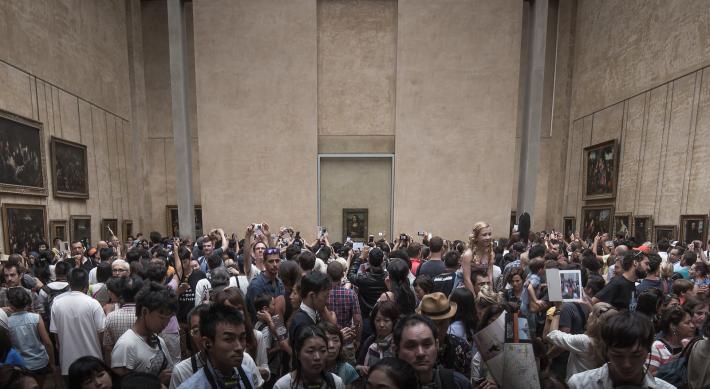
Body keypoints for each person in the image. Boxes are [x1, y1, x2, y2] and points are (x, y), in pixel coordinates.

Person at [567, 311, 674, 388]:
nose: (626, 364)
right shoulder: (578, 385)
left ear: (648, 350)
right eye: (618, 355)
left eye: (636, 356)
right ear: (606, 351)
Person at [177, 303, 258, 389]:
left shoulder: (247, 375)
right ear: (207, 343)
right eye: (228, 339)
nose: (239, 347)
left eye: (242, 338)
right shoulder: (191, 386)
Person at [111, 282, 177, 387]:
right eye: (161, 317)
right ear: (144, 311)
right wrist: (156, 382)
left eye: (169, 318)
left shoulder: (159, 341)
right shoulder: (126, 346)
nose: (166, 323)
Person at [50, 267, 106, 378]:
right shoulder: (93, 303)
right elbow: (102, 334)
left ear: (69, 283)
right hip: (93, 361)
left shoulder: (57, 303)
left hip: (68, 363)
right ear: (87, 284)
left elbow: (56, 338)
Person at [393, 314, 471, 389]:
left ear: (436, 345)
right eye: (411, 346)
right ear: (396, 350)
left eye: (427, 344)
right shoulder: (387, 385)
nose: (420, 353)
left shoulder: (458, 383)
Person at [546, 302, 618, 380]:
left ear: (594, 321)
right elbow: (603, 317)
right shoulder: (614, 342)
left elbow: (552, 335)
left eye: (592, 313)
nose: (589, 314)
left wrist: (558, 309)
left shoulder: (585, 342)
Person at [6, 287, 54, 387]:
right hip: (40, 362)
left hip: (21, 366)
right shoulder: (36, 317)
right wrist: (52, 362)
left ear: (10, 304)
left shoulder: (7, 322)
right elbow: (47, 343)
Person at [416, 292, 471, 378]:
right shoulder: (413, 350)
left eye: (441, 323)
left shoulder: (461, 347)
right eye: (432, 323)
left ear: (449, 321)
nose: (437, 329)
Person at [274, 325, 345, 389]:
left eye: (322, 350)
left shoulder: (336, 383)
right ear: (297, 353)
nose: (317, 357)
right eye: (310, 351)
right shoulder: (282, 386)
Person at [103, 276, 143, 363]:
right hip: (143, 362)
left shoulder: (111, 317)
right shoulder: (145, 315)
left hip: (119, 363)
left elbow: (108, 348)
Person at [647, 306, 696, 376]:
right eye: (687, 323)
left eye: (691, 322)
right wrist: (674, 362)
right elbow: (650, 376)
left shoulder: (687, 343)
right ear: (673, 326)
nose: (692, 326)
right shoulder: (656, 348)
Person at [289, 271, 333, 345]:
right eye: (325, 297)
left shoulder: (313, 314)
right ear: (312, 295)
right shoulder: (302, 324)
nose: (328, 301)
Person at [361, 301, 400, 371]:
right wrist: (361, 368)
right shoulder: (370, 340)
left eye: (386, 320)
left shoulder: (398, 342)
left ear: (394, 322)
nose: (381, 324)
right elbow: (358, 364)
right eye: (378, 320)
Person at [319, 321, 359, 388]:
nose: (331, 345)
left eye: (336, 340)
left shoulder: (347, 370)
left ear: (341, 344)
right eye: (326, 340)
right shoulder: (311, 369)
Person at [462, 222, 495, 294]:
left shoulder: (490, 253)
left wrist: (490, 294)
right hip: (467, 286)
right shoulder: (468, 255)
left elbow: (490, 278)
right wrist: (474, 298)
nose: (488, 237)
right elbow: (466, 279)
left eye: (489, 234)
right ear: (476, 238)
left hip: (482, 284)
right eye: (484, 235)